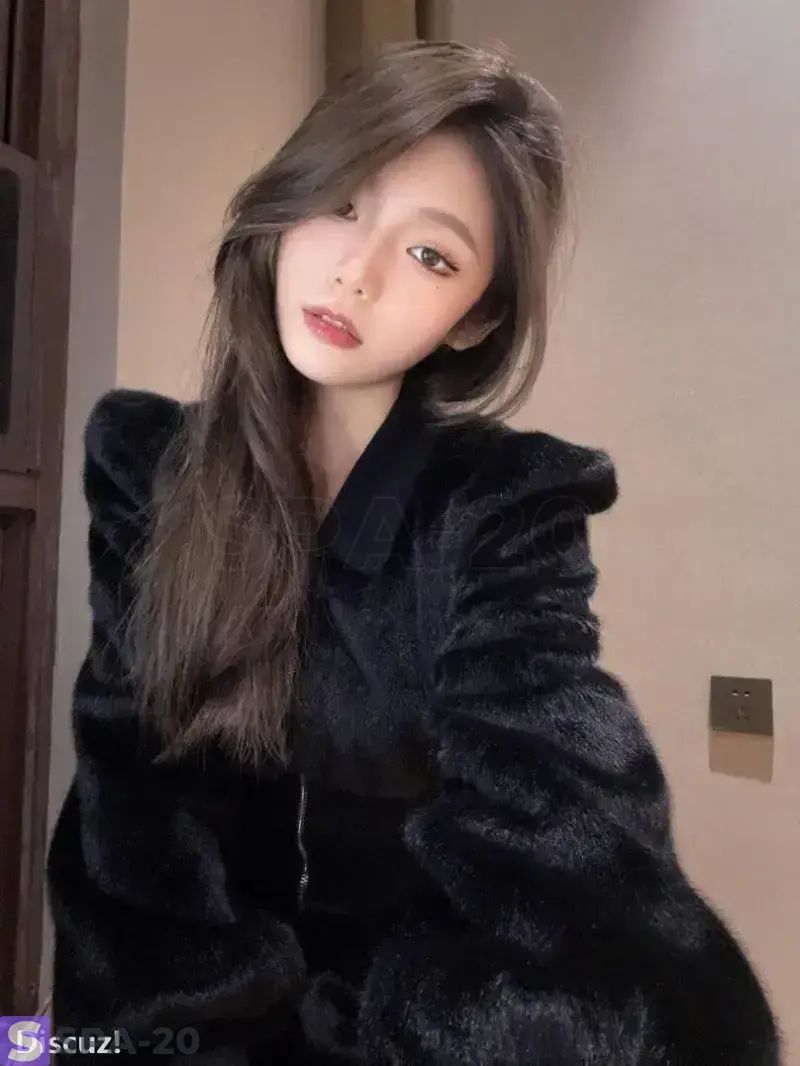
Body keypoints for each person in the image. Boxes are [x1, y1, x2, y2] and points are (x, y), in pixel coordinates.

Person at [46, 40, 779, 1065]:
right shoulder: (149, 467)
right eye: (340, 202)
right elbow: (131, 834)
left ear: (473, 317)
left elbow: (569, 852)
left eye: (430, 255)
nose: (357, 272)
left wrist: (351, 1035)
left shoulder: (503, 505)